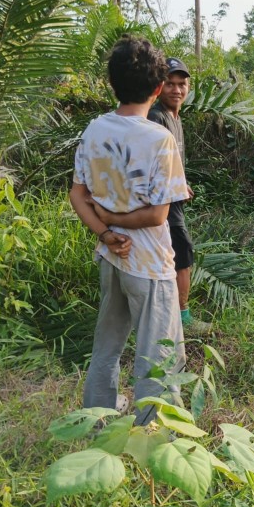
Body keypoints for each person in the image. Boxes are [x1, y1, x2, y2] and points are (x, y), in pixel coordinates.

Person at [69, 35, 190, 425]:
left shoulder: (95, 128)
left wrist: (105, 231)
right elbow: (158, 216)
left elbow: (78, 195)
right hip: (150, 264)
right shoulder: (159, 139)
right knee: (159, 353)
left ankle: (96, 415)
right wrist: (116, 223)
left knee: (107, 344)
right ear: (158, 88)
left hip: (111, 255)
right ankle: (154, 432)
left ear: (112, 83)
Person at [147, 58, 210, 335]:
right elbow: (153, 162)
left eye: (181, 84)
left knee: (173, 253)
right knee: (182, 252)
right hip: (162, 201)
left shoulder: (174, 116)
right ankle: (182, 318)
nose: (176, 89)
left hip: (173, 197)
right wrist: (173, 186)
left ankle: (168, 314)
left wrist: (182, 182)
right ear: (160, 87)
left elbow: (172, 161)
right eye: (170, 84)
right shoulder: (157, 117)